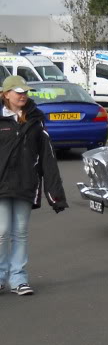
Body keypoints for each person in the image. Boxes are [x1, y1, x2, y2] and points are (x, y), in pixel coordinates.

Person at [0, 75, 67, 296]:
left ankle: (18, 278)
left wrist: (55, 194)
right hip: (1, 185)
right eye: (18, 91)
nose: (22, 95)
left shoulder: (36, 121)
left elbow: (47, 157)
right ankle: (1, 276)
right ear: (6, 94)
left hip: (25, 184)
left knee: (19, 232)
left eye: (25, 92)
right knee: (1, 232)